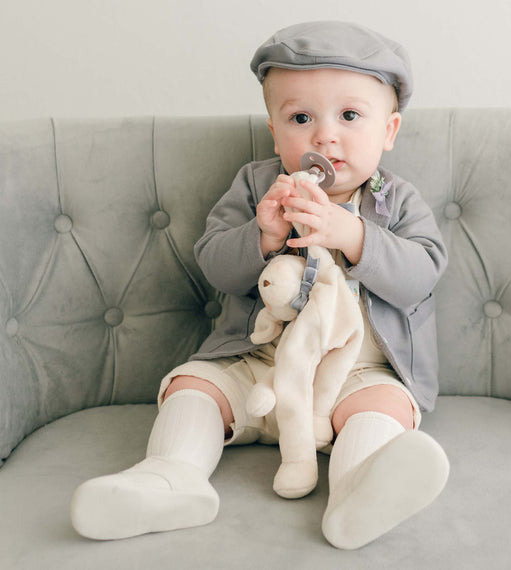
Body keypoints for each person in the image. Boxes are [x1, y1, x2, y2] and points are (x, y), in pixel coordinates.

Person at [71, 21, 450, 550]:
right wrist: (264, 235)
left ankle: (358, 491)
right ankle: (168, 478)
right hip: (256, 367)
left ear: (388, 130)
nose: (325, 136)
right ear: (274, 129)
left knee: (383, 408)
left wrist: (355, 235)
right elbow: (217, 268)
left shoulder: (396, 200)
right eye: (300, 118)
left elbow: (421, 277)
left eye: (349, 116)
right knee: (193, 388)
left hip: (356, 374)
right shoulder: (256, 185)